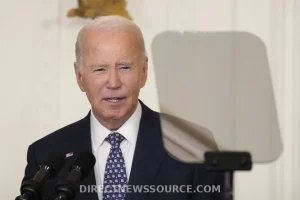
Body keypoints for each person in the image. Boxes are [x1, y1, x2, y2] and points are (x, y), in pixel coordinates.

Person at [18, 15, 224, 200]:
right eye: (100, 69)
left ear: (143, 71)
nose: (113, 82)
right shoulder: (45, 155)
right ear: (79, 77)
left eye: (124, 67)